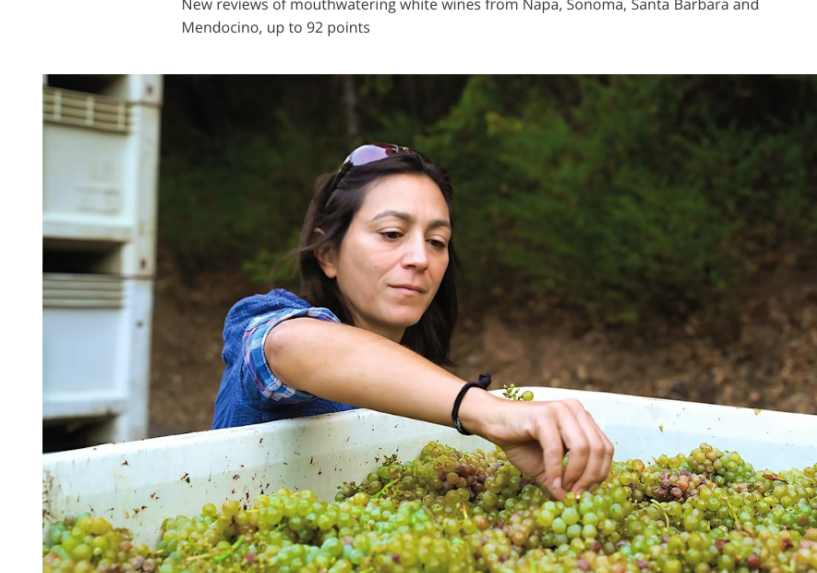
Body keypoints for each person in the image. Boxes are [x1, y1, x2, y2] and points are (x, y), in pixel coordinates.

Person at [214, 143, 614, 499]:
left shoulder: (425, 389)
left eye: (437, 241)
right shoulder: (263, 319)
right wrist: (486, 410)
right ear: (327, 255)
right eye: (392, 233)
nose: (420, 258)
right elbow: (288, 347)